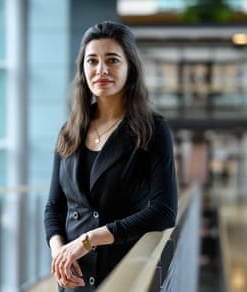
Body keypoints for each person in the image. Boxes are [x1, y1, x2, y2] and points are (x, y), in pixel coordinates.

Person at [44, 21, 178, 291]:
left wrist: (87, 240)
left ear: (130, 68)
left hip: (125, 274)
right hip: (74, 280)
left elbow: (164, 211)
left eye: (112, 60)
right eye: (92, 60)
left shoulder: (152, 129)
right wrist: (59, 253)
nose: (101, 70)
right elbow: (54, 207)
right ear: (82, 69)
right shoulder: (69, 131)